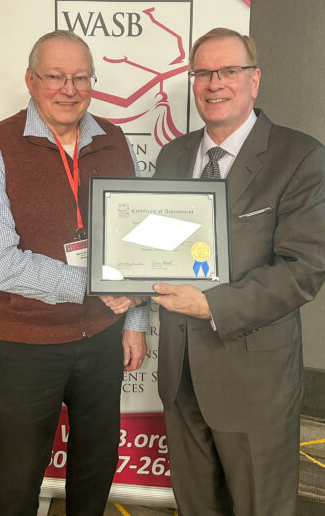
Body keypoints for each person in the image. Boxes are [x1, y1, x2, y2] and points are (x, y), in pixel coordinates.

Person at [0, 30, 148, 516]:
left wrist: (134, 321)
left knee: (96, 463)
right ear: (31, 80)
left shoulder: (113, 140)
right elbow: (1, 264)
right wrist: (95, 286)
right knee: (21, 471)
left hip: (102, 337)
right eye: (55, 76)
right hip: (25, 342)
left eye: (81, 77)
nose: (69, 89)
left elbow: (132, 241)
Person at [151, 27, 325, 516]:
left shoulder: (300, 156)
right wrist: (125, 280)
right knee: (195, 504)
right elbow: (157, 247)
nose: (215, 83)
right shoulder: (173, 155)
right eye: (204, 72)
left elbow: (304, 268)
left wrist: (211, 305)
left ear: (255, 79)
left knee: (259, 506)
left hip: (254, 378)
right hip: (180, 371)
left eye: (229, 70)